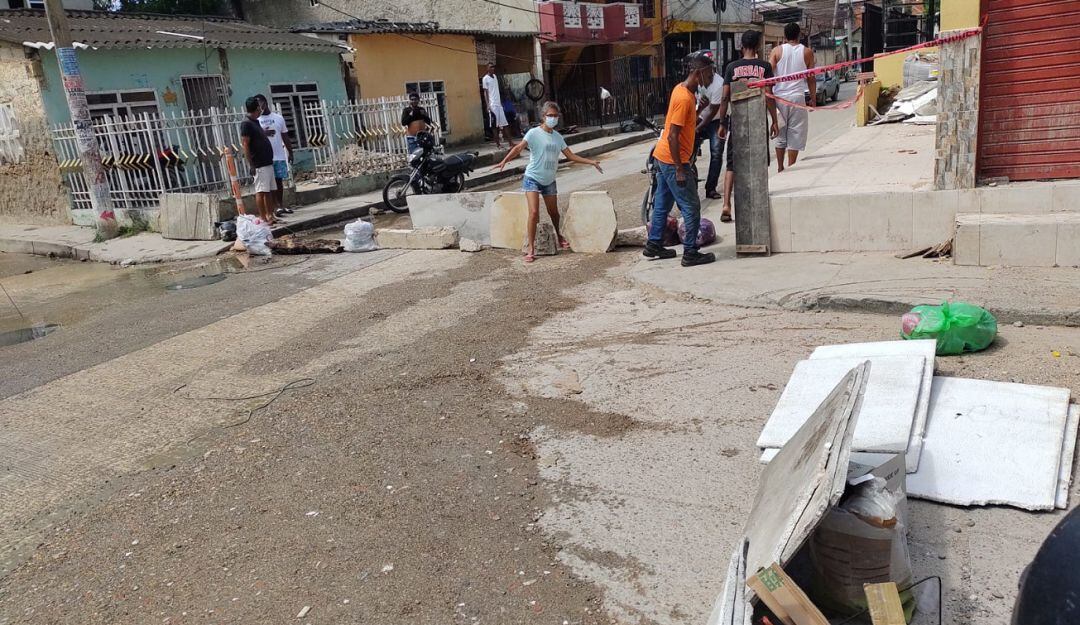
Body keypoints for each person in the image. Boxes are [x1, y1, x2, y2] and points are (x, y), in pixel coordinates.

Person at [493, 101, 603, 263]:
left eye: (555, 116)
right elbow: (518, 148)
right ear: (543, 117)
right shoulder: (533, 133)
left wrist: (591, 162)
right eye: (550, 115)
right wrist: (504, 160)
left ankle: (559, 236)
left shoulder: (558, 137)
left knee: (554, 212)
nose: (553, 118)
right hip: (532, 178)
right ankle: (531, 249)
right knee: (534, 213)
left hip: (549, 180)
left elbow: (570, 156)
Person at [644, 51, 717, 267]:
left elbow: (686, 125)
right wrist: (679, 168)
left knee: (662, 203)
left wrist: (700, 108)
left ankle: (654, 244)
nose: (711, 78)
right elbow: (673, 135)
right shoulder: (684, 98)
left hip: (663, 156)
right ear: (698, 73)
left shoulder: (683, 91)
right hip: (672, 160)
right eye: (709, 73)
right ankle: (690, 253)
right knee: (691, 206)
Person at [715, 30, 780, 223]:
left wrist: (722, 123)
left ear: (741, 46)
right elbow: (769, 96)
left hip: (737, 121)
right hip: (758, 120)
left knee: (732, 163)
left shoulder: (731, 67)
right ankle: (758, 200)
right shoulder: (765, 66)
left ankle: (726, 204)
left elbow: (725, 97)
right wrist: (774, 120)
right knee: (760, 160)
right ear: (758, 46)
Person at [770, 22, 815, 172]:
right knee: (795, 133)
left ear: (785, 35)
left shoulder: (776, 51)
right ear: (799, 35)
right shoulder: (807, 52)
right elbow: (811, 78)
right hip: (797, 98)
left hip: (779, 98)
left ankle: (780, 167)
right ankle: (791, 166)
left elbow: (768, 74)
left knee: (780, 133)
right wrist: (813, 98)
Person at [239, 96, 278, 225]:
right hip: (259, 163)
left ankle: (270, 215)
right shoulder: (246, 124)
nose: (261, 110)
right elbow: (245, 144)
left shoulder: (255, 122)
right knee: (261, 191)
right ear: (256, 109)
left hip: (267, 161)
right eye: (259, 108)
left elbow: (257, 137)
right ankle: (263, 218)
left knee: (269, 191)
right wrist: (251, 164)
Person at [693, 51, 725, 200]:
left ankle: (710, 188)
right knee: (687, 147)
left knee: (716, 152)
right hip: (701, 115)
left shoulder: (719, 84)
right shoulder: (698, 81)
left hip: (716, 120)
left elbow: (712, 112)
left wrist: (697, 129)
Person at [255, 94, 292, 217]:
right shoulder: (256, 121)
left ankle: (280, 205)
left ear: (265, 103)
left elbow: (285, 136)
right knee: (269, 185)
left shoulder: (278, 118)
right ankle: (272, 208)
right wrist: (263, 133)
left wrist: (290, 151)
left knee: (279, 181)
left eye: (260, 104)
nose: (259, 107)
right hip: (265, 157)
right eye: (257, 105)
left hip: (279, 155)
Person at [481, 63, 514, 149]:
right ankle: (498, 144)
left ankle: (511, 143)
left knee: (505, 124)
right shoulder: (485, 79)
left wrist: (500, 102)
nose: (492, 68)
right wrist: (488, 105)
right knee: (494, 126)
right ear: (487, 69)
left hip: (499, 105)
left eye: (493, 67)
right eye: (490, 67)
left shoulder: (495, 77)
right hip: (493, 105)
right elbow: (485, 92)